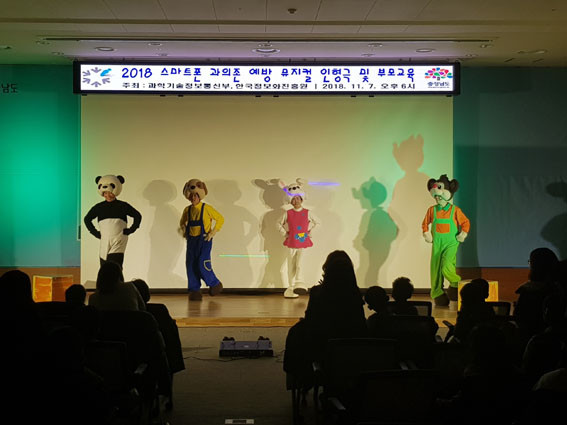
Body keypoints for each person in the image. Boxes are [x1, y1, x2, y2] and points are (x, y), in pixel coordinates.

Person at [422, 174, 470, 307]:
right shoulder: (432, 210)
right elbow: (425, 223)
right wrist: (426, 233)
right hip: (437, 244)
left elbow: (465, 222)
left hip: (451, 243)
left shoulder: (455, 210)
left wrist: (463, 234)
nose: (438, 198)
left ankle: (455, 284)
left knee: (447, 266)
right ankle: (437, 293)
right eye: (436, 196)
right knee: (435, 269)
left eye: (440, 195)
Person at [179, 178, 224, 301]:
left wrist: (213, 232)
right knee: (191, 265)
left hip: (204, 240)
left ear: (200, 196)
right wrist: (184, 231)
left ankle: (215, 284)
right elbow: (182, 222)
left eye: (196, 195)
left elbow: (220, 219)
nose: (193, 198)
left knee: (202, 263)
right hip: (191, 241)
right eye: (191, 195)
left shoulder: (207, 208)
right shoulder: (187, 210)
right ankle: (194, 290)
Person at [84, 175, 141, 267]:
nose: (108, 195)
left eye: (110, 193)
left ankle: (117, 277)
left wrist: (131, 230)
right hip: (104, 240)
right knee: (104, 265)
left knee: (115, 265)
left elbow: (137, 216)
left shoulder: (122, 206)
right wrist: (95, 233)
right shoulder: (99, 207)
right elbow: (87, 219)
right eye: (105, 193)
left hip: (118, 240)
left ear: (115, 191)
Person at [278, 179, 319, 298]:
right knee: (291, 264)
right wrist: (285, 234)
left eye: (298, 198)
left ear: (301, 199)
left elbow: (318, 223)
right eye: (293, 199)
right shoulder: (288, 213)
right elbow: (278, 224)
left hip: (302, 241)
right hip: (291, 242)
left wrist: (310, 233)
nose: (296, 201)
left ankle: (299, 283)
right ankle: (291, 286)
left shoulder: (307, 212)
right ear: (290, 201)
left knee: (300, 263)